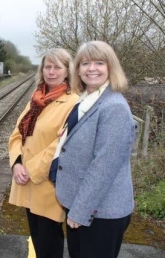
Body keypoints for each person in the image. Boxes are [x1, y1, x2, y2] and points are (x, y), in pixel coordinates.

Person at [54, 41, 135, 258]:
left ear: (111, 67)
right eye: (85, 63)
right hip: (84, 206)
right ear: (78, 69)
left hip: (99, 213)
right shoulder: (87, 100)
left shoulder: (114, 107)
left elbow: (104, 167)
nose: (92, 68)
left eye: (100, 62)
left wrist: (80, 212)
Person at [8, 48, 79, 258]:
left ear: (67, 71)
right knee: (38, 238)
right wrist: (17, 163)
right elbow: (17, 134)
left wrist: (30, 170)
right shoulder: (36, 98)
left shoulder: (73, 102)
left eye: (58, 67)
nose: (52, 71)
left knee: (49, 243)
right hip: (26, 179)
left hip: (48, 184)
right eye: (48, 66)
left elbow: (62, 144)